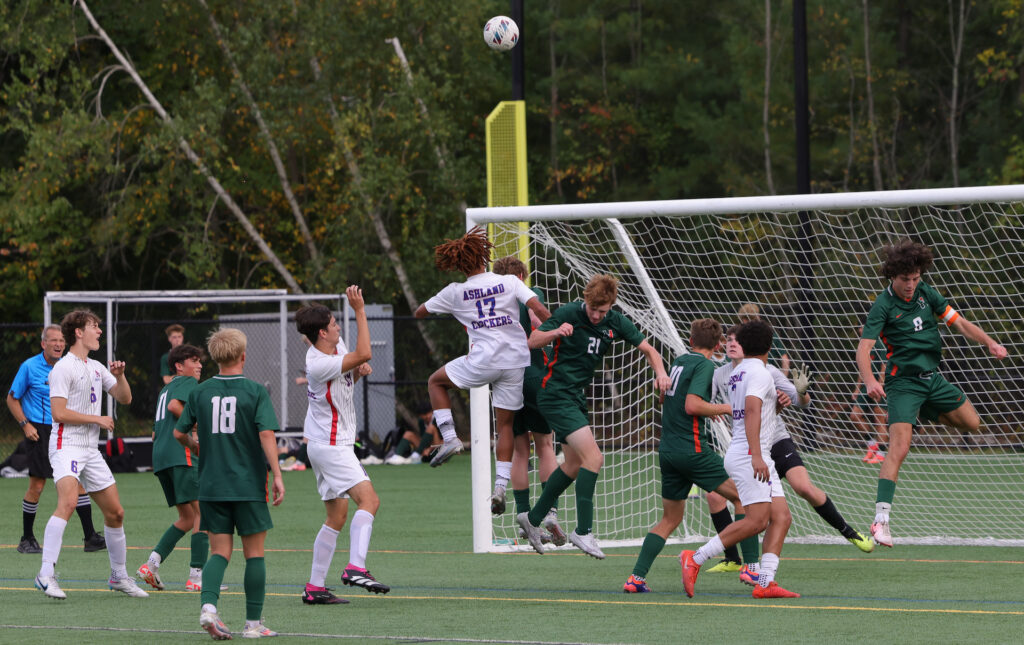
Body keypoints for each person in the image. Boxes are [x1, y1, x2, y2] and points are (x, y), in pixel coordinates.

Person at [858, 240, 1007, 547]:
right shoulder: (882, 306)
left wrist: (990, 343)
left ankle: (922, 412)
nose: (911, 285)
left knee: (973, 423)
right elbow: (864, 349)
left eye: (915, 278)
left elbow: (961, 323)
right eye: (905, 280)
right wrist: (871, 380)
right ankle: (881, 520)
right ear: (892, 277)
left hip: (933, 380)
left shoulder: (927, 293)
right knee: (899, 447)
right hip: (902, 384)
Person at [517, 274, 672, 559]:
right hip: (555, 394)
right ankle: (583, 531)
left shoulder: (614, 320)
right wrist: (555, 332)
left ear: (611, 306)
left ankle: (533, 518)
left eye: (603, 311)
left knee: (575, 464)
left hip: (576, 397)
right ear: (586, 300)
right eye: (593, 310)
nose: (598, 316)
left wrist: (661, 373)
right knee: (595, 458)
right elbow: (532, 341)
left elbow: (650, 350)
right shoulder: (568, 313)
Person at [708, 326, 874, 574]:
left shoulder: (768, 371)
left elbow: (801, 402)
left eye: (735, 340)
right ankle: (734, 560)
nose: (731, 344)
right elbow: (708, 404)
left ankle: (848, 531)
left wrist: (800, 392)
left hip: (775, 442)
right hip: (748, 448)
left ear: (746, 345)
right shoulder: (720, 375)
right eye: (727, 341)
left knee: (803, 488)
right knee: (717, 497)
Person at [413, 226, 553, 509]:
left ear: (458, 264)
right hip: (516, 362)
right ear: (484, 256)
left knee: (435, 382)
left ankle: (450, 438)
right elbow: (538, 309)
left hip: (483, 360)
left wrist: (460, 311)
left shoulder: (455, 292)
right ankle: (500, 488)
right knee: (505, 427)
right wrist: (558, 327)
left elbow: (420, 312)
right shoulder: (510, 282)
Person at [624, 319, 753, 593]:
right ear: (718, 345)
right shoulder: (705, 365)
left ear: (691, 340)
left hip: (668, 449)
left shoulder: (679, 361)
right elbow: (692, 404)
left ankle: (636, 578)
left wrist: (707, 408)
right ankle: (751, 567)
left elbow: (666, 397)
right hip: (691, 449)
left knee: (670, 519)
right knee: (744, 497)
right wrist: (726, 408)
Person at [173, 328, 284, 639]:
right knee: (255, 554)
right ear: (243, 356)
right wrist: (277, 473)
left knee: (219, 552)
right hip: (248, 484)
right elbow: (265, 434)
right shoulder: (255, 391)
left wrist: (198, 447)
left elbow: (180, 432)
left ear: (214, 358)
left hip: (210, 485)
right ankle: (253, 624)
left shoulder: (200, 392)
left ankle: (208, 607)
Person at [681, 320, 801, 599]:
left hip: (751, 452)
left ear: (744, 345)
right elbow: (751, 411)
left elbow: (760, 411)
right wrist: (757, 455)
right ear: (770, 347)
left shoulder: (740, 371)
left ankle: (766, 582)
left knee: (782, 517)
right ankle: (695, 558)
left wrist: (779, 406)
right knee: (758, 521)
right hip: (751, 453)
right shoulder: (760, 373)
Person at [34, 310, 147, 600]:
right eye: (94, 327)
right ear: (79, 332)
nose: (99, 331)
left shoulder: (96, 367)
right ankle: (46, 573)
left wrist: (120, 377)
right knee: (69, 502)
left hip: (89, 450)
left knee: (115, 512)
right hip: (65, 445)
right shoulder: (62, 368)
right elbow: (58, 414)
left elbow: (125, 398)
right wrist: (96, 419)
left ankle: (118, 576)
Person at [296, 290, 391, 606]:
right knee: (370, 500)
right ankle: (355, 567)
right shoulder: (319, 362)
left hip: (323, 445)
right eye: (335, 324)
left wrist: (356, 371)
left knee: (336, 516)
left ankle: (314, 587)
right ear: (321, 332)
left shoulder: (334, 349)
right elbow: (365, 352)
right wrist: (360, 310)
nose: (339, 328)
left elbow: (353, 371)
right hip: (333, 446)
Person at [8, 324, 105, 554]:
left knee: (77, 480)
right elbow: (12, 399)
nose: (58, 344)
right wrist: (25, 425)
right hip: (38, 430)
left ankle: (90, 536)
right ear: (43, 344)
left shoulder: (68, 365)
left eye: (62, 340)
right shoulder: (29, 367)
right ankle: (27, 538)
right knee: (38, 485)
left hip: (64, 429)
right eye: (53, 341)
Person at [492, 255, 564, 542]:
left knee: (520, 451)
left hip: (504, 379)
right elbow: (538, 323)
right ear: (521, 277)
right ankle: (549, 513)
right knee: (546, 445)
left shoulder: (491, 302)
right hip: (533, 373)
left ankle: (524, 517)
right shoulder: (530, 295)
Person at [137, 343, 213, 592]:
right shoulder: (187, 382)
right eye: (194, 360)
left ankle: (151, 564)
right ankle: (196, 577)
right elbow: (175, 408)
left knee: (187, 517)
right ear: (179, 366)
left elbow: (154, 430)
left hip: (161, 458)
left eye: (200, 360)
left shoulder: (166, 388)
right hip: (181, 455)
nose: (199, 365)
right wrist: (198, 428)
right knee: (204, 513)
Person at [851, 327, 889, 463]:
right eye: (859, 328)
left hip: (879, 385)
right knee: (854, 415)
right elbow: (863, 367)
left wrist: (880, 383)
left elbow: (885, 364)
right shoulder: (863, 344)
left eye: (862, 327)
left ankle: (881, 453)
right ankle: (872, 445)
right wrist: (857, 389)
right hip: (866, 385)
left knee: (879, 415)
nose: (860, 330)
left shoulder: (878, 343)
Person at [738, 303, 790, 376]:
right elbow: (785, 360)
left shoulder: (740, 337)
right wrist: (782, 380)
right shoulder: (770, 335)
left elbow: (785, 360)